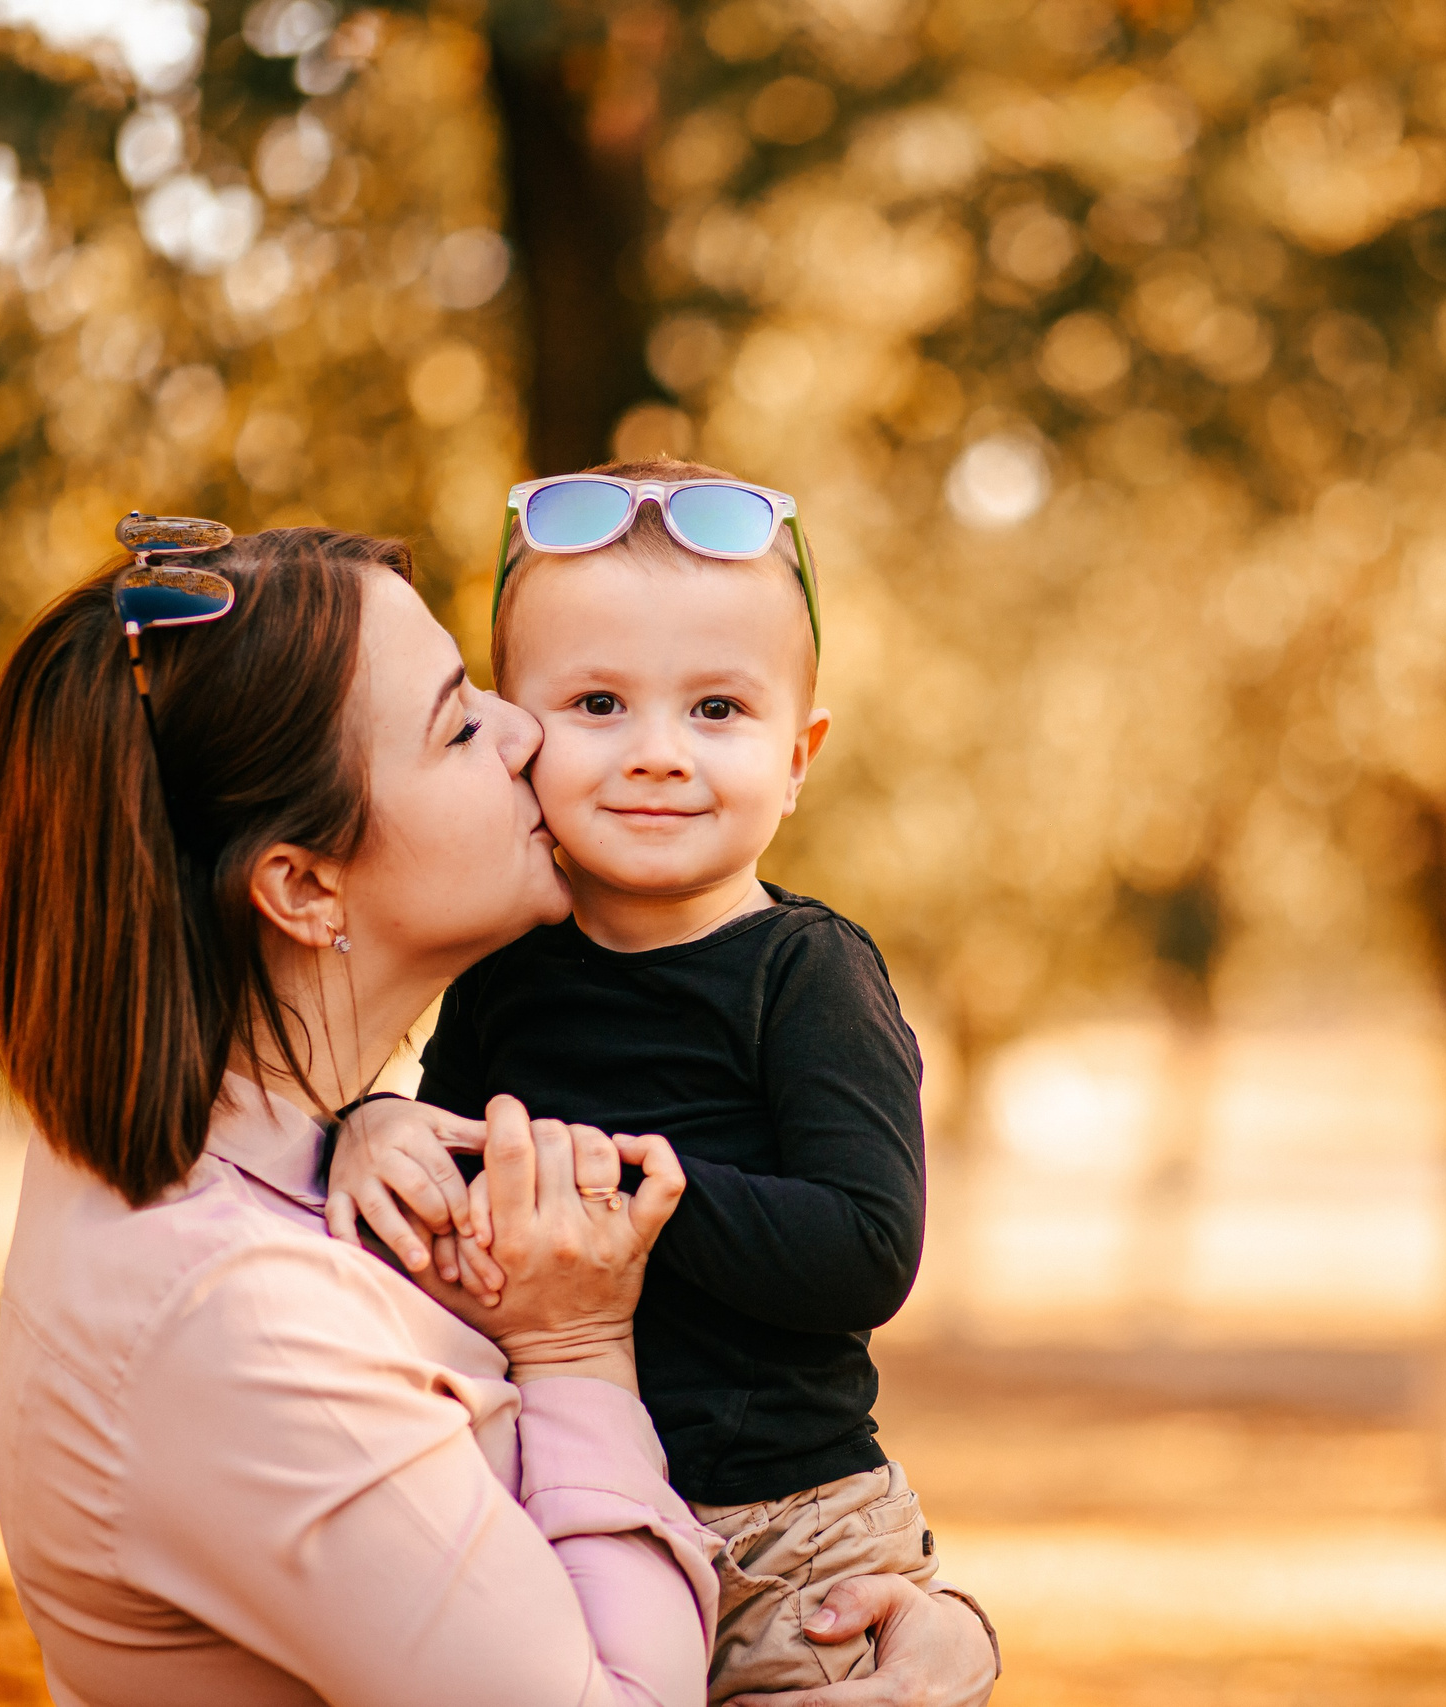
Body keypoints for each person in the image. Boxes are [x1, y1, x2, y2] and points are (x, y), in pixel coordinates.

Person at [0, 520, 999, 1706]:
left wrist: (944, 1632)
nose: (530, 734)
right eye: (464, 719)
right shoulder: (239, 1318)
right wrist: (578, 1346)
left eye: (715, 709)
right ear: (304, 887)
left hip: (794, 1551)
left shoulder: (256, 1170)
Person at [325, 462, 964, 1703]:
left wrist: (633, 1195)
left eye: (718, 711)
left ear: (799, 756)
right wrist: (375, 1121)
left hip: (790, 1538)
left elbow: (867, 1250)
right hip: (561, 1501)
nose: (659, 754)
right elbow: (455, 1165)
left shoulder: (805, 973)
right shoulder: (508, 973)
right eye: (600, 703)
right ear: (518, 735)